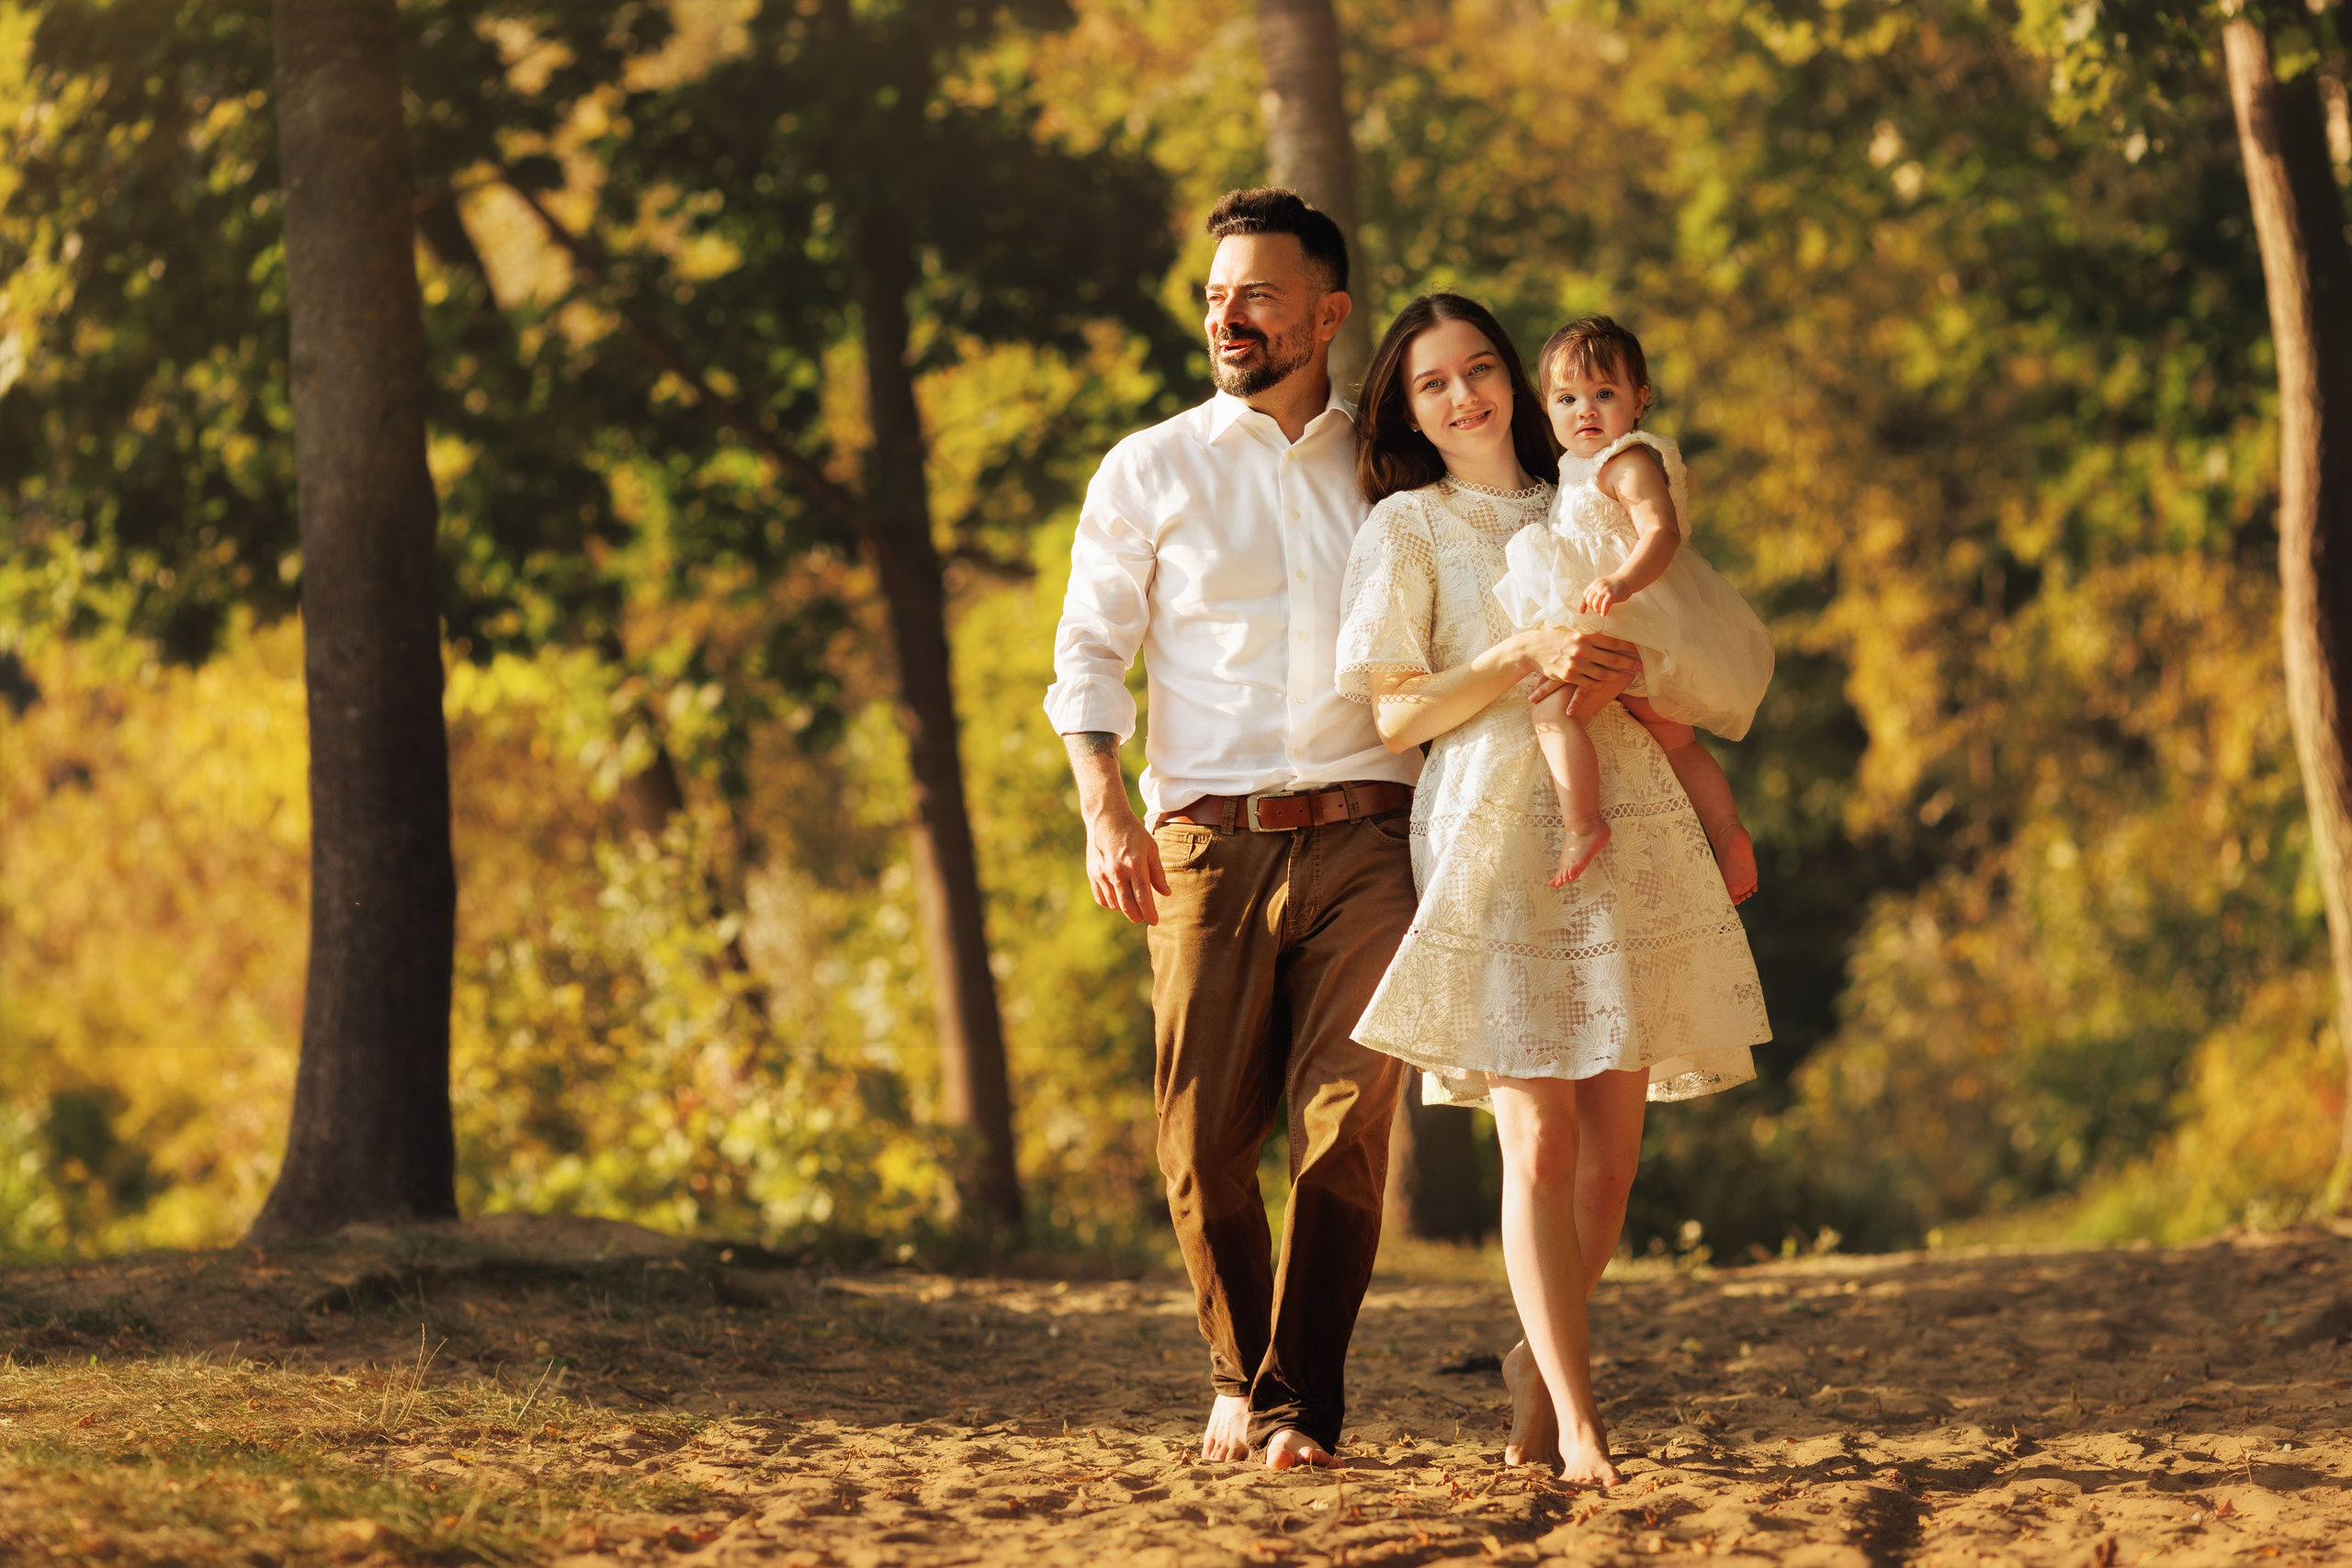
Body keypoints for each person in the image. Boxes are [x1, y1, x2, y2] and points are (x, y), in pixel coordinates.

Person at [1045, 192, 1634, 1471]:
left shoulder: (1390, 472)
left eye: (1256, 292)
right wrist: (1104, 804)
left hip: (1372, 834)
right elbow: (1088, 650)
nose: (1227, 314)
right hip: (1204, 835)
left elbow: (1528, 546)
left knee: (1343, 1127)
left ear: (1326, 312)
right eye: (1214, 294)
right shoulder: (1151, 467)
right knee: (1200, 1140)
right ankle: (1235, 1370)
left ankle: (1300, 1401)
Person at [1333, 294, 1770, 1486]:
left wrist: (1638, 666)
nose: (1464, 394)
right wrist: (1522, 653)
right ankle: (1580, 1420)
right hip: (1493, 823)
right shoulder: (1407, 526)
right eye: (1433, 382)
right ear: (1408, 408)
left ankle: (1542, 1358)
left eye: (1480, 368)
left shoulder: (1588, 482)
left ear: (1518, 380)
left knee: (1614, 1150)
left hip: (1627, 809)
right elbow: (1397, 711)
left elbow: (1674, 637)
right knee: (1538, 1135)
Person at [1496, 316, 1773, 896]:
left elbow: (1661, 532)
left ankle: (1583, 823)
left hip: (1623, 622)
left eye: (1605, 395)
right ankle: (1727, 833)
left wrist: (1621, 582)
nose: (1586, 411)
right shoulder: (1576, 468)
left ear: (1639, 400)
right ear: (1545, 406)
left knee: (1553, 713)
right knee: (1676, 740)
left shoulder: (1628, 461)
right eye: (1567, 398)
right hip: (1630, 625)